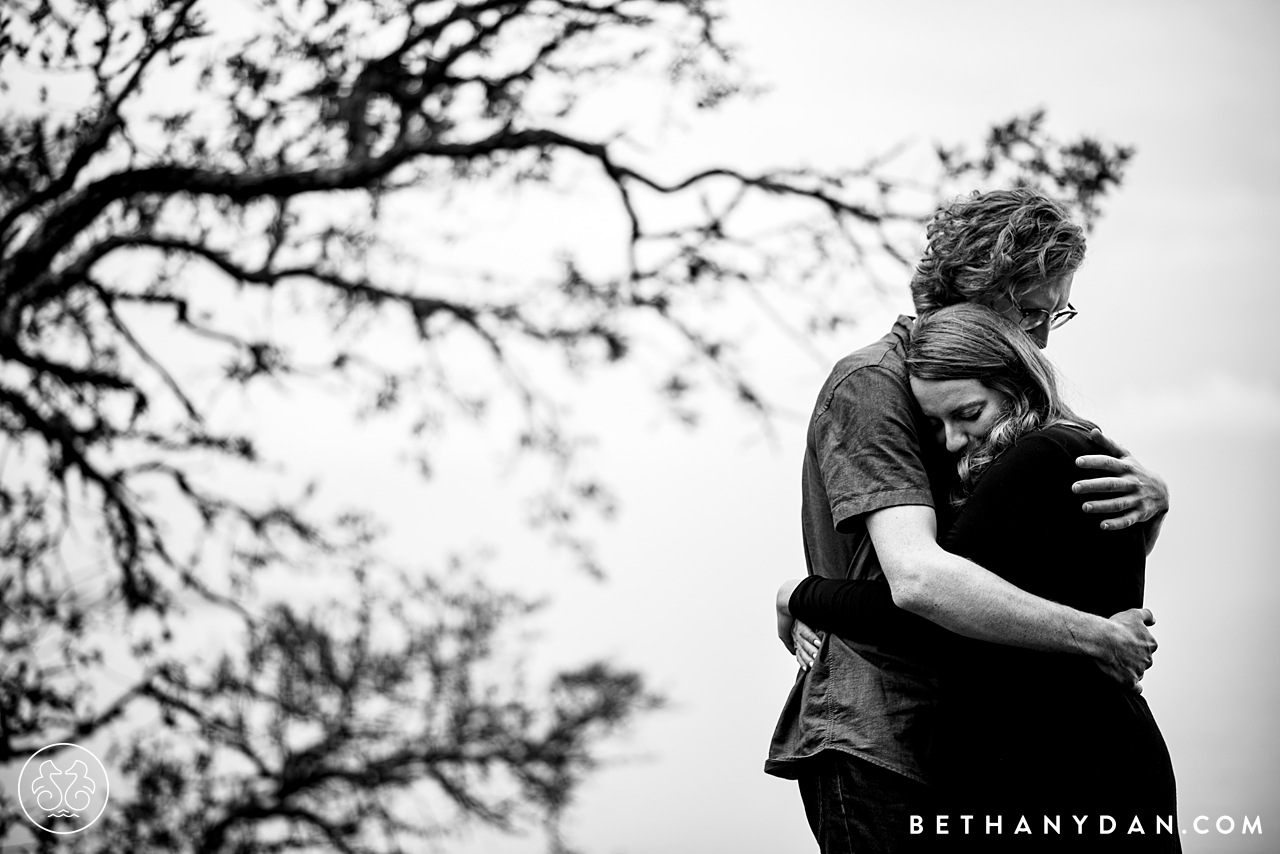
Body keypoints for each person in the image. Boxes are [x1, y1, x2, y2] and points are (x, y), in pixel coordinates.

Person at [763, 187, 1169, 854]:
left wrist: (1153, 497)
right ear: (973, 287)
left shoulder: (1020, 411)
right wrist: (1093, 635)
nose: (1039, 334)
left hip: (972, 740)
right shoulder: (875, 382)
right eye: (1029, 310)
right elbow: (919, 580)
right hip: (881, 733)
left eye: (1053, 314)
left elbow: (1081, 548)